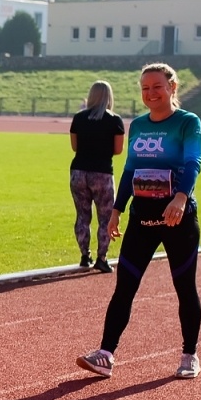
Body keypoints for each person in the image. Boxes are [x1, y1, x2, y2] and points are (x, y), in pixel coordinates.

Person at [76, 63, 201, 380]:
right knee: (125, 287)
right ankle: (105, 355)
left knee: (184, 287)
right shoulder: (139, 125)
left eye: (157, 87)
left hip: (178, 219)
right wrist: (117, 210)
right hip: (141, 218)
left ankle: (190, 354)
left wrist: (180, 197)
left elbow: (193, 163)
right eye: (144, 88)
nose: (150, 94)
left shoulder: (188, 123)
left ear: (173, 87)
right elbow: (131, 169)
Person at [69, 80, 125, 273]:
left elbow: (75, 147)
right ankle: (102, 257)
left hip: (78, 171)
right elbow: (118, 150)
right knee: (105, 217)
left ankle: (85, 255)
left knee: (82, 216)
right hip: (102, 172)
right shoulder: (114, 120)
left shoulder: (78, 118)